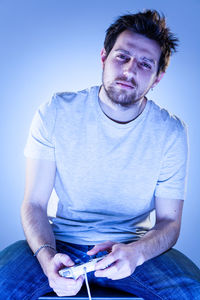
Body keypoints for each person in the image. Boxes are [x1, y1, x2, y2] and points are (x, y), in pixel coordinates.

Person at [0, 9, 200, 300]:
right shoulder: (56, 111)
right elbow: (34, 203)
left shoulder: (171, 131)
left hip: (134, 249)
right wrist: (47, 259)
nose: (130, 70)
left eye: (145, 64)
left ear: (157, 78)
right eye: (122, 56)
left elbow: (170, 223)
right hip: (60, 243)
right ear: (104, 57)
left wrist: (136, 254)